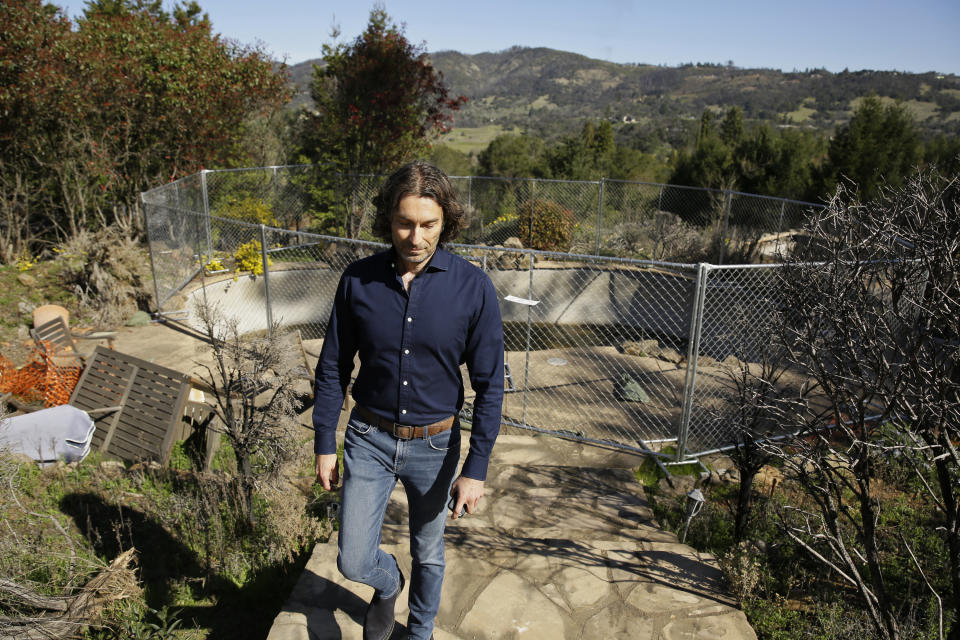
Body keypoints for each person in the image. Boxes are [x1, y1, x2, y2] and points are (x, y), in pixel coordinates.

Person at [312, 160, 504, 640]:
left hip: (436, 448)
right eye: (404, 223)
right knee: (353, 558)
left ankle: (419, 633)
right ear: (388, 220)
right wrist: (324, 441)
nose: (415, 237)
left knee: (429, 550)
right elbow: (334, 366)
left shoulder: (473, 287)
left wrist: (476, 469)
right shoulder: (358, 281)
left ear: (447, 222)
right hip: (368, 438)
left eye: (428, 225)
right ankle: (388, 581)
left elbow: (490, 387)